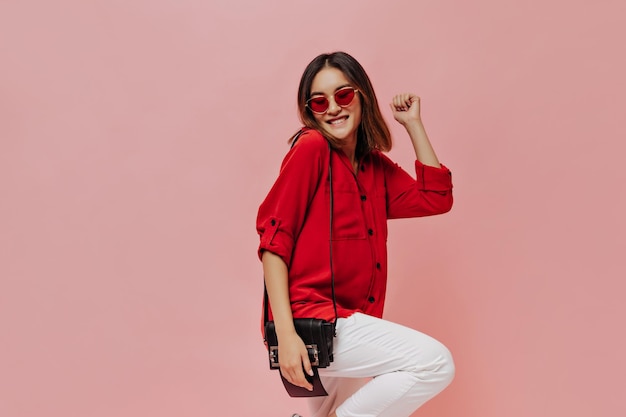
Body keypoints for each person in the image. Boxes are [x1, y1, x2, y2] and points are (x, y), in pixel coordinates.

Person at [256, 51, 455, 417]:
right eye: (320, 101)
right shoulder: (311, 149)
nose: (333, 107)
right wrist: (284, 336)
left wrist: (412, 124)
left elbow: (435, 199)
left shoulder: (373, 166)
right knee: (434, 363)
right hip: (314, 320)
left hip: (353, 318)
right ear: (310, 111)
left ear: (362, 95)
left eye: (343, 95)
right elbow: (273, 243)